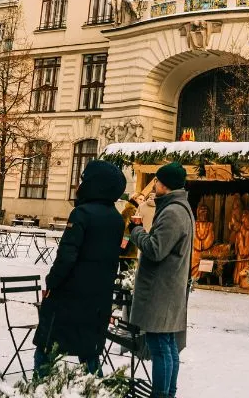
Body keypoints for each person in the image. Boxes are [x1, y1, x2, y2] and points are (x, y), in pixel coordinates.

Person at [32, 160, 125, 376]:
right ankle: (97, 388)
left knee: (46, 348)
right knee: (89, 352)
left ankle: (39, 386)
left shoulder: (81, 213)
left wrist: (52, 282)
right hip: (97, 299)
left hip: (69, 297)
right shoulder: (116, 219)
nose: (79, 185)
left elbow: (67, 255)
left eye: (83, 180)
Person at [128, 163, 193, 398]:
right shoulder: (178, 208)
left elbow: (156, 250)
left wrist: (136, 231)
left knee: (159, 345)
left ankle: (162, 394)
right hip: (168, 287)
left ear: (164, 184)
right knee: (167, 344)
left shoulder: (173, 212)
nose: (153, 185)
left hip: (162, 289)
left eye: (156, 181)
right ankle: (168, 393)